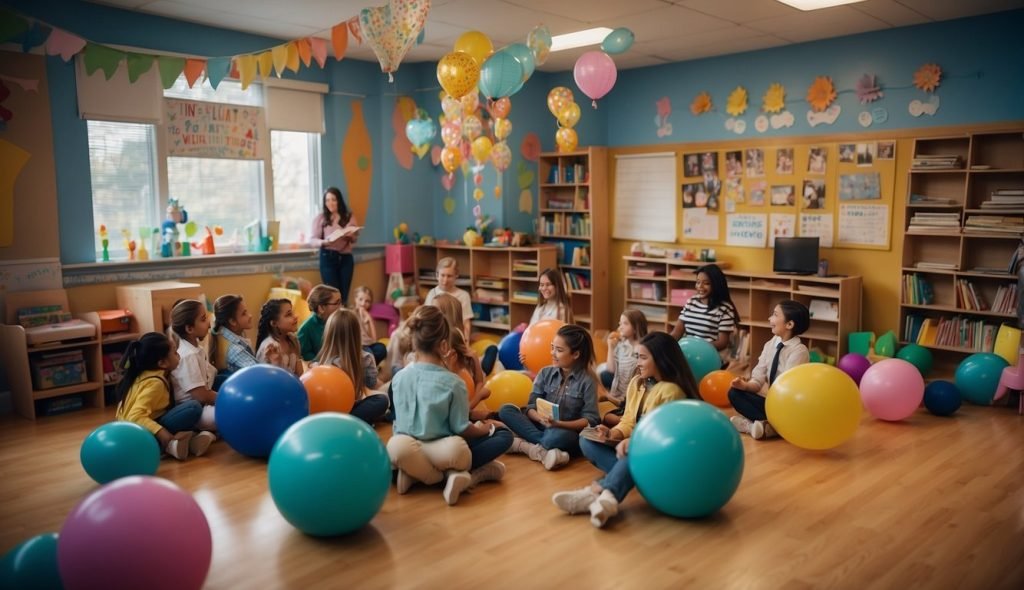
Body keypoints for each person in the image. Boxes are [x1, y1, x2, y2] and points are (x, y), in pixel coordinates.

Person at [551, 332, 700, 528]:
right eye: (637, 356)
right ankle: (619, 483)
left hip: (662, 455)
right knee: (586, 439)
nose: (638, 362)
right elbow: (629, 420)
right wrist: (613, 433)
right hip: (638, 447)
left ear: (662, 359)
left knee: (634, 456)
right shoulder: (637, 383)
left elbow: (661, 437)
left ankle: (600, 492)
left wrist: (634, 443)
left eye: (643, 357)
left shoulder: (671, 391)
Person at [387, 306, 511, 505]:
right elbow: (461, 428)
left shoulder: (399, 378)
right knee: (502, 435)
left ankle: (413, 474)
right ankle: (450, 477)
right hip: (444, 451)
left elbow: (397, 421)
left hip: (407, 447)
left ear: (414, 341)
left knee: (395, 447)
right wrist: (484, 429)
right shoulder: (453, 382)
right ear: (444, 346)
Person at [498, 324, 599, 471]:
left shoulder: (588, 380)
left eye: (559, 350)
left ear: (575, 354)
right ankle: (543, 449)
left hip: (565, 431)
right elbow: (531, 407)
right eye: (552, 347)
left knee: (555, 437)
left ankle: (526, 445)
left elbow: (591, 419)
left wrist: (559, 424)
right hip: (540, 424)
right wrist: (540, 418)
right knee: (506, 410)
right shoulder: (545, 373)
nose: (552, 353)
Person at [115, 332, 215, 460]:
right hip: (139, 433)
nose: (179, 354)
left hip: (131, 430)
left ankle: (188, 443)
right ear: (162, 363)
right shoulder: (155, 384)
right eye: (174, 352)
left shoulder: (142, 374)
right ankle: (166, 445)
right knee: (193, 408)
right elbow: (134, 416)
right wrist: (162, 433)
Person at [729, 299, 810, 440]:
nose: (769, 318)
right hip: (773, 401)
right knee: (734, 393)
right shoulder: (770, 344)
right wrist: (745, 386)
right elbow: (758, 378)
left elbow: (787, 388)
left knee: (781, 410)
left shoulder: (799, 351)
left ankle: (756, 426)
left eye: (775, 315)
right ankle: (768, 426)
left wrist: (772, 402)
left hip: (789, 405)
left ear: (789, 324)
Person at [314, 309, 389, 425]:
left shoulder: (323, 364)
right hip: (348, 408)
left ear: (329, 334)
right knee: (382, 400)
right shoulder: (366, 358)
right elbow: (371, 383)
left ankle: (345, 421)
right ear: (357, 334)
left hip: (327, 412)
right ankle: (351, 421)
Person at [669, 264, 738, 362]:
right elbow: (677, 332)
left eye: (706, 283)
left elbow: (722, 342)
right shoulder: (691, 302)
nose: (700, 286)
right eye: (697, 282)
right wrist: (665, 342)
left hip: (708, 356)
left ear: (716, 284)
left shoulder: (725, 308)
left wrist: (699, 349)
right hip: (687, 354)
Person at [168, 300, 218, 431]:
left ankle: (204, 434)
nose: (208, 323)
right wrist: (228, 399)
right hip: (194, 410)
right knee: (229, 413)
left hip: (203, 402)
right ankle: (194, 431)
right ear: (189, 328)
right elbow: (201, 395)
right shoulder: (188, 355)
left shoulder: (197, 349)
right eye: (203, 319)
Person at [312, 187, 360, 306]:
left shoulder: (348, 216)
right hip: (327, 256)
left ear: (339, 200)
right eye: (327, 200)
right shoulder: (321, 218)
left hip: (345, 258)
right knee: (332, 295)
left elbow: (354, 238)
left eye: (333, 199)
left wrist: (350, 235)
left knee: (344, 295)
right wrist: (323, 242)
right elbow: (312, 239)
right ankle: (333, 322)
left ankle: (343, 322)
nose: (330, 203)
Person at [600, 310, 648, 426]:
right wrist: (611, 347)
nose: (620, 327)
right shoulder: (621, 345)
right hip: (618, 392)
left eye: (625, 324)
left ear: (636, 327)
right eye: (620, 323)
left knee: (604, 416)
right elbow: (611, 370)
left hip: (631, 397)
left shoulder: (643, 348)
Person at [209, 294, 258, 376]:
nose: (250, 316)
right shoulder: (234, 349)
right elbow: (259, 373)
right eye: (244, 313)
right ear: (232, 321)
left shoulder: (222, 336)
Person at [423, 257, 473, 337]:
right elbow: (426, 319)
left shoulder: (463, 295)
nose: (445, 280)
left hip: (454, 337)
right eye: (442, 275)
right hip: (434, 336)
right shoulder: (432, 293)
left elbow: (466, 322)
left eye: (449, 276)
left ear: (456, 276)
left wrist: (465, 343)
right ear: (437, 275)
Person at [256, 299, 303, 377]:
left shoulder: (293, 340)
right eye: (288, 315)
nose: (295, 317)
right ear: (274, 323)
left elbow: (300, 375)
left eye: (292, 313)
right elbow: (268, 379)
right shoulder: (269, 347)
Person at [297, 284, 342, 361]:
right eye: (336, 303)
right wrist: (323, 362)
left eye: (340, 302)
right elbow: (305, 354)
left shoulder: (340, 320)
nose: (341, 307)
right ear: (321, 308)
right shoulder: (305, 329)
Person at [353, 285, 387, 365]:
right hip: (357, 346)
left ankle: (369, 366)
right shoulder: (351, 314)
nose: (363, 303)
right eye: (360, 299)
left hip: (368, 346)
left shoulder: (368, 316)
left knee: (381, 348)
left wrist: (369, 319)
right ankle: (369, 367)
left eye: (367, 301)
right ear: (355, 299)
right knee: (368, 353)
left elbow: (374, 339)